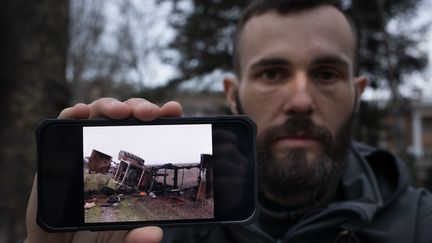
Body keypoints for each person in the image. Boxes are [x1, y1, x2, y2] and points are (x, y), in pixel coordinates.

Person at [25, 0, 432, 242]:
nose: (301, 100)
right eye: (272, 73)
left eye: (326, 74)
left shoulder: (418, 224)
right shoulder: (158, 233)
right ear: (233, 94)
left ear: (357, 92)